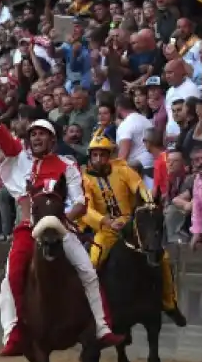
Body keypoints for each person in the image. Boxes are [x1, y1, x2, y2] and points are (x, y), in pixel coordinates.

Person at [0, 115, 125, 356]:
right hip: (29, 229)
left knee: (88, 272)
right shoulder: (20, 159)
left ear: (52, 139)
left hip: (60, 227)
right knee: (10, 278)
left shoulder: (67, 165)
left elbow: (80, 203)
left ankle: (102, 327)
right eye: (33, 134)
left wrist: (64, 220)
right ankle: (12, 334)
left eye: (42, 133)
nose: (36, 137)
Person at [79, 135, 187, 325]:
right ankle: (89, 307)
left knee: (164, 258)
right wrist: (107, 221)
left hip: (133, 224)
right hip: (106, 229)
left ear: (109, 155)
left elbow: (139, 186)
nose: (98, 159)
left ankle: (169, 304)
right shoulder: (85, 179)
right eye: (94, 155)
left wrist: (149, 202)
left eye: (102, 155)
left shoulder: (122, 169)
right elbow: (86, 210)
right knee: (94, 260)